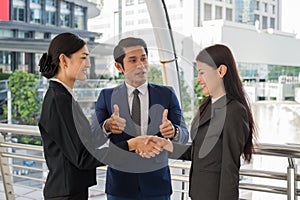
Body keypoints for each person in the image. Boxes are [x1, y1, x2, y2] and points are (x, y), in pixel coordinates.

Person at [38, 33, 166, 200]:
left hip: (72, 191)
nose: (88, 64)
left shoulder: (64, 97)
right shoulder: (59, 100)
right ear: (64, 60)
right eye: (83, 58)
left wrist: (106, 127)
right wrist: (132, 144)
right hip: (65, 194)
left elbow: (84, 146)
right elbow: (83, 158)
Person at [95, 37, 189, 200]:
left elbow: (184, 135)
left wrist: (173, 132)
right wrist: (107, 126)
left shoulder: (166, 94)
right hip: (120, 186)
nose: (140, 65)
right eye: (132, 60)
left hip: (157, 185)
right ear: (119, 66)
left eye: (143, 58)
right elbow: (93, 139)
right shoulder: (106, 96)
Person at [168, 44, 256, 200]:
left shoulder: (234, 111)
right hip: (197, 194)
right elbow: (198, 152)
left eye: (202, 73)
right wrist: (166, 147)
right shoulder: (207, 106)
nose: (198, 79)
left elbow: (229, 168)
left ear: (221, 71)